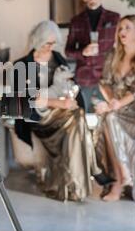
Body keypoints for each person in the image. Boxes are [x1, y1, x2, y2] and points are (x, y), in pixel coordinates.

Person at [14, 21, 106, 202]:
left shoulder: (57, 57)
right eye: (47, 43)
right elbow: (28, 100)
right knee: (76, 121)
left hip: (58, 111)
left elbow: (68, 83)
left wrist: (69, 95)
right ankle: (84, 176)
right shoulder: (23, 65)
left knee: (78, 116)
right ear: (37, 42)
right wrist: (59, 103)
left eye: (54, 43)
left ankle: (76, 184)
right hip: (38, 117)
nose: (51, 47)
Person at [94, 15, 135, 202]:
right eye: (120, 28)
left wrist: (115, 105)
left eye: (127, 28)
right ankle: (123, 178)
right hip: (118, 108)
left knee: (109, 118)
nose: (121, 32)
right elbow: (103, 83)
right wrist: (111, 102)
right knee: (108, 119)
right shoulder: (113, 55)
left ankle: (118, 182)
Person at [65, 0, 121, 112]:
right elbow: (68, 51)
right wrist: (82, 52)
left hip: (108, 76)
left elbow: (120, 46)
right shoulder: (76, 21)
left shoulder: (114, 18)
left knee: (109, 116)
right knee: (86, 115)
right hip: (84, 78)